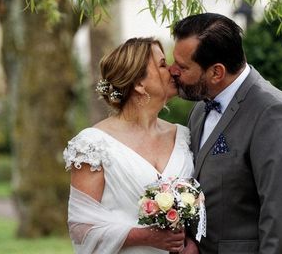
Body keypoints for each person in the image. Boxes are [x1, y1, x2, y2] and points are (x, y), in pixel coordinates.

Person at [169, 13, 282, 254]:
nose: (172, 71)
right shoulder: (199, 110)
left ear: (217, 72)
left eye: (183, 66)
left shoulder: (272, 112)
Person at [63, 37, 199, 254]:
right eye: (162, 64)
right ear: (138, 83)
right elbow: (81, 228)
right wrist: (146, 237)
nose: (173, 70)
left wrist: (191, 242)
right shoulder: (93, 144)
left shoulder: (183, 136)